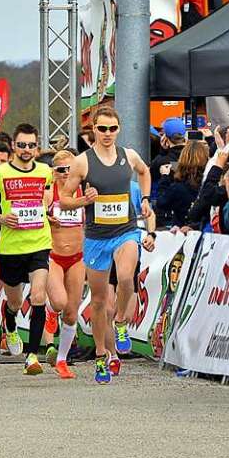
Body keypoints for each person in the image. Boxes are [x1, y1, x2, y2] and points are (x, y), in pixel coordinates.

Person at [58, 106, 152, 384]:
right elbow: (64, 198)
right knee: (99, 302)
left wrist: (146, 199)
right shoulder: (82, 162)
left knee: (125, 278)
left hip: (126, 231)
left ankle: (121, 323)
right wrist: (84, 201)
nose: (108, 134)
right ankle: (101, 354)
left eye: (112, 129)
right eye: (102, 129)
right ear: (94, 131)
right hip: (97, 238)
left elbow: (145, 172)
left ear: (118, 129)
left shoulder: (129, 156)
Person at [0, 123, 52, 376]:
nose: (27, 149)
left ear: (37, 147)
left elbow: (51, 195)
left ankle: (32, 356)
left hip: (40, 243)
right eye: (22, 145)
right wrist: (1, 218)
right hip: (11, 247)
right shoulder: (0, 173)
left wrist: (49, 208)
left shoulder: (45, 171)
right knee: (15, 301)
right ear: (13, 147)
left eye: (31, 145)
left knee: (39, 296)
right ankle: (9, 322)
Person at [47, 150, 84, 379]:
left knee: (71, 314)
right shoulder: (49, 192)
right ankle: (50, 310)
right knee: (59, 302)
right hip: (53, 256)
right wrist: (45, 217)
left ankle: (61, 360)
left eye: (70, 169)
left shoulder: (81, 192)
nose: (66, 174)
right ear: (54, 172)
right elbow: (36, 214)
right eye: (61, 170)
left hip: (77, 257)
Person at [155, 140, 209, 229]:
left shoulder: (178, 188)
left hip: (181, 231)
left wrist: (164, 177)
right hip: (202, 229)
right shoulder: (208, 185)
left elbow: (161, 203)